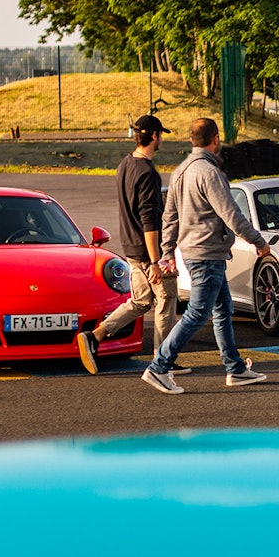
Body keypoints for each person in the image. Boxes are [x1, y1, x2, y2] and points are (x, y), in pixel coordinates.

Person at [141, 118, 271, 394]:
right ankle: (159, 367)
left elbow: (170, 216)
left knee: (223, 310)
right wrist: (258, 242)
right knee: (198, 313)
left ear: (191, 140)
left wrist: (167, 252)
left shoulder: (181, 172)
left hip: (193, 252)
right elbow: (231, 214)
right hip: (207, 254)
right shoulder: (209, 173)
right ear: (215, 139)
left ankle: (235, 369)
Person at [76, 114, 189, 375]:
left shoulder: (125, 164)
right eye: (160, 134)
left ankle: (95, 336)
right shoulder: (147, 173)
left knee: (140, 301)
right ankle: (163, 360)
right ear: (154, 136)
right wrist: (157, 262)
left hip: (130, 248)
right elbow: (149, 221)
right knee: (166, 299)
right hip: (148, 251)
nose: (162, 139)